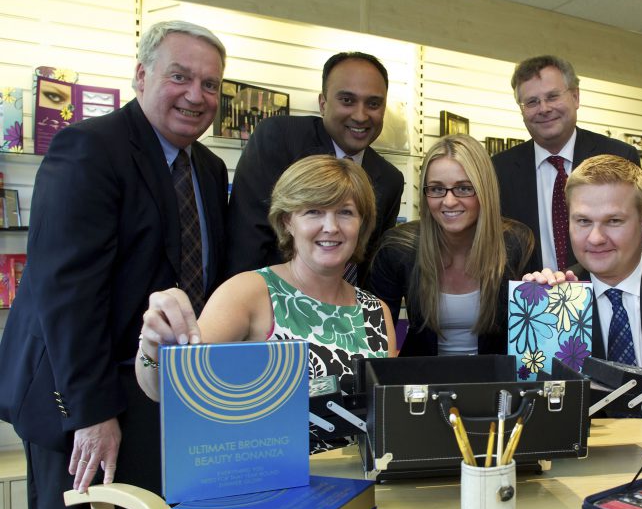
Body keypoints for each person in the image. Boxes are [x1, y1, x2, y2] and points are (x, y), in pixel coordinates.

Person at [0, 20, 229, 509]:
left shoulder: (208, 170)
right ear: (141, 76)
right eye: (180, 77)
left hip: (158, 393)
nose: (196, 95)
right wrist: (93, 414)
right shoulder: (88, 148)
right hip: (82, 397)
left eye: (210, 84)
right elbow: (66, 294)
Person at [137, 155, 395, 405]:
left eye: (346, 212)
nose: (331, 227)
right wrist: (152, 347)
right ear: (287, 221)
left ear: (362, 223)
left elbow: (387, 411)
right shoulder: (249, 293)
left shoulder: (375, 311)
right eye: (314, 211)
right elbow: (168, 386)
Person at [225, 51, 404, 284]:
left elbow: (371, 267)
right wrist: (248, 302)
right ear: (323, 104)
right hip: (271, 299)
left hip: (347, 303)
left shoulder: (390, 179)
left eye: (373, 104)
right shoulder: (279, 139)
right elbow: (247, 240)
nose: (361, 116)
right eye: (347, 100)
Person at [524, 155, 642, 387]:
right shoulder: (557, 297)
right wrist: (536, 307)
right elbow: (542, 398)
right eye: (583, 221)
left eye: (613, 221)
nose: (596, 238)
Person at [367, 134, 534, 355]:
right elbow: (374, 341)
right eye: (437, 189)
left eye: (463, 188)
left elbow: (533, 335)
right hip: (421, 375)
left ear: (485, 190)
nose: (449, 201)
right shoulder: (398, 248)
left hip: (496, 375)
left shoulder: (516, 243)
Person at [493, 55, 641, 273]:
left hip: (602, 288)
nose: (544, 108)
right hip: (531, 291)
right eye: (532, 102)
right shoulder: (500, 170)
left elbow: (634, 239)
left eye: (552, 96)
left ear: (575, 96)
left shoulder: (619, 156)